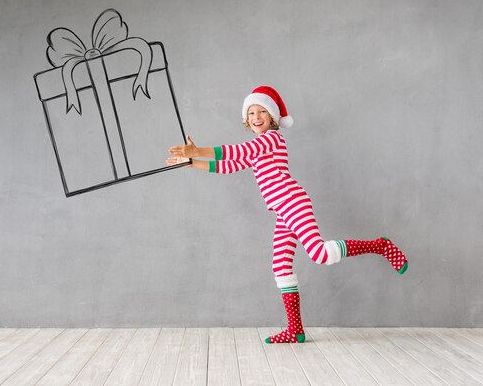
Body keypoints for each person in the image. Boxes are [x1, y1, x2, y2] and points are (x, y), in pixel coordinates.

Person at [167, 85, 408, 343]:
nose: (256, 116)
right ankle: (295, 330)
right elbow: (228, 166)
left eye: (261, 111)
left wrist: (198, 150)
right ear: (246, 120)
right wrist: (192, 162)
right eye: (251, 113)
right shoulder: (258, 149)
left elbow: (237, 151)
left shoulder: (271, 139)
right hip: (283, 210)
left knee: (320, 254)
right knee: (281, 267)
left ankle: (380, 246)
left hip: (292, 201)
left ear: (272, 117)